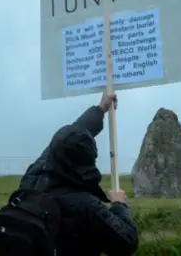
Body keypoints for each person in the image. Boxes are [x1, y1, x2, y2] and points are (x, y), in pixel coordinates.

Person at [12, 92, 139, 256]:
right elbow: (127, 241)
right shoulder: (86, 206)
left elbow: (64, 140)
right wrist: (119, 205)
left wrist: (100, 109)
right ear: (88, 162)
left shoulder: (31, 182)